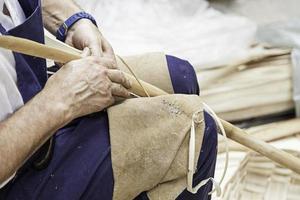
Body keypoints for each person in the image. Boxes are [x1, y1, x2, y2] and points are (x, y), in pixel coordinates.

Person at [0, 0, 217, 199]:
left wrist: (74, 22)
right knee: (195, 131)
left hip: (29, 98)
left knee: (180, 78)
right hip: (13, 170)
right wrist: (61, 100)